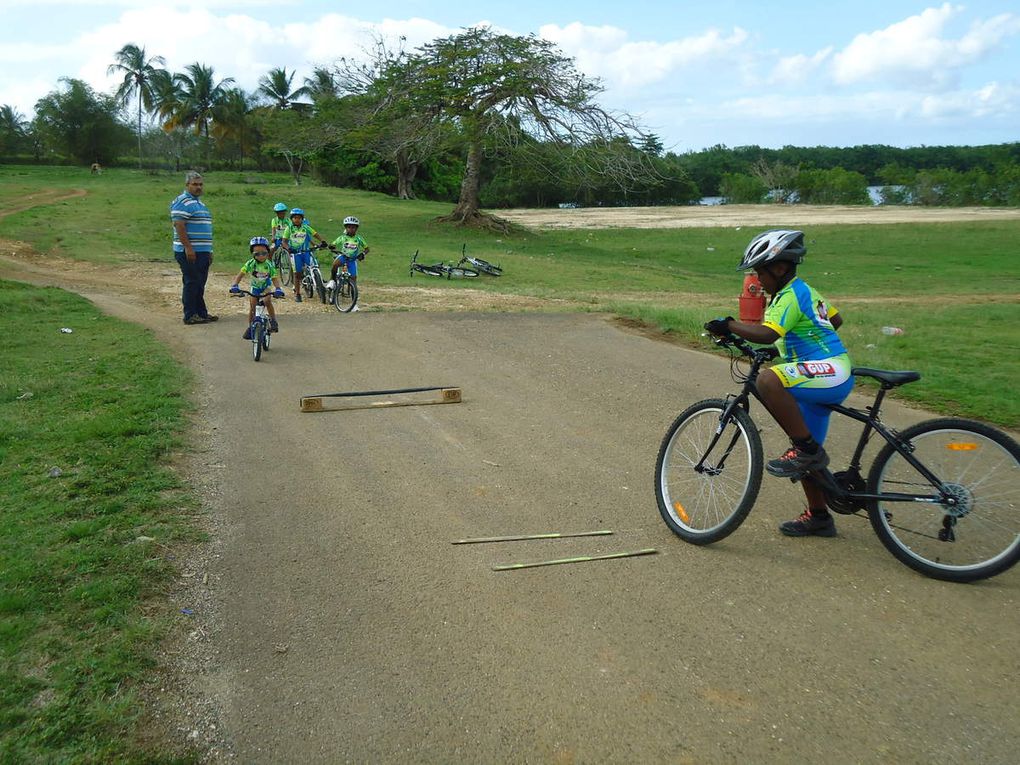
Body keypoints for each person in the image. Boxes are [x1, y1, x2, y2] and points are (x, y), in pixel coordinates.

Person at [705, 229, 853, 538]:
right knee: (804, 445)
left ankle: (807, 450)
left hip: (831, 370)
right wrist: (793, 346)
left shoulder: (790, 295)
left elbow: (769, 333)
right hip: (823, 370)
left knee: (768, 381)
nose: (757, 278)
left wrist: (729, 324)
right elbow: (833, 321)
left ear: (781, 268)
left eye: (761, 270)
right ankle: (819, 516)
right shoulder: (804, 292)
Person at [171, 171, 217, 324]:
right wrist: (188, 248)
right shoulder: (182, 202)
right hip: (190, 252)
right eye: (195, 184)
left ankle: (201, 313)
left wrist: (209, 251)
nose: (198, 187)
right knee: (192, 282)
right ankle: (190, 314)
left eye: (200, 184)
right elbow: (179, 225)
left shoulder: (199, 203)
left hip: (202, 251)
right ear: (187, 185)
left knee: (200, 282)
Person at [229, 237, 286, 337]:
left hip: (265, 287)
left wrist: (278, 289)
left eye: (264, 253)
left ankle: (273, 320)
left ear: (268, 253)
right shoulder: (250, 264)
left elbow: (274, 278)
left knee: (267, 301)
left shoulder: (269, 265)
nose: (261, 256)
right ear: (253, 254)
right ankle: (251, 326)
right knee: (252, 307)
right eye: (257, 254)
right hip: (255, 288)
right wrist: (235, 285)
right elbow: (240, 274)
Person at [281, 208, 328, 302]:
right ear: (292, 219)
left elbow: (315, 234)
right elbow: (284, 242)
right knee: (297, 274)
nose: (297, 219)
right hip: (295, 254)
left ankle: (319, 283)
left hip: (306, 252)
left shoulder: (305, 227)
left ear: (302, 219)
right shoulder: (289, 228)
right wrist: (288, 248)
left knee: (314, 266)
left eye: (299, 218)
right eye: (295, 218)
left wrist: (322, 241)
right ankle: (297, 294)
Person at [327, 215, 370, 311]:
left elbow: (367, 248)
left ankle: (354, 304)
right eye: (349, 227)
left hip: (352, 260)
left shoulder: (359, 238)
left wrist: (363, 254)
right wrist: (331, 246)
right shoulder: (342, 238)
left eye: (353, 227)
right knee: (335, 265)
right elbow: (334, 244)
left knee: (353, 281)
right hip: (343, 257)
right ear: (346, 228)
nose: (351, 229)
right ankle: (332, 281)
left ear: (356, 228)